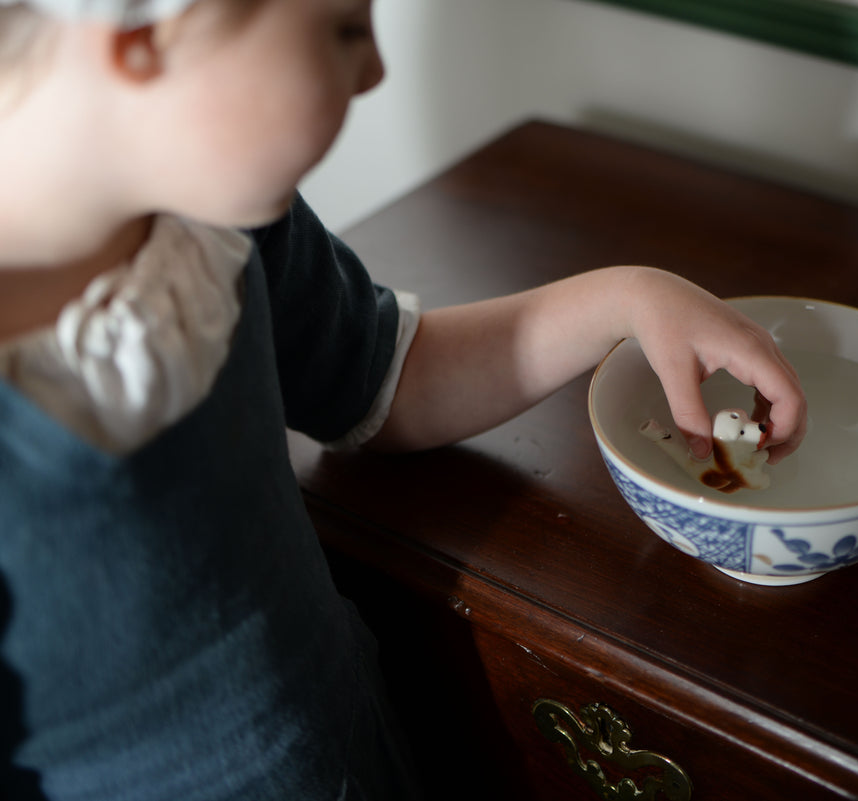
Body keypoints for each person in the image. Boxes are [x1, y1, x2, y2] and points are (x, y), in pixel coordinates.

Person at [0, 0, 807, 798]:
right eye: (345, 27)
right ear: (143, 39)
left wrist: (629, 297)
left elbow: (383, 375)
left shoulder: (214, 211)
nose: (378, 69)